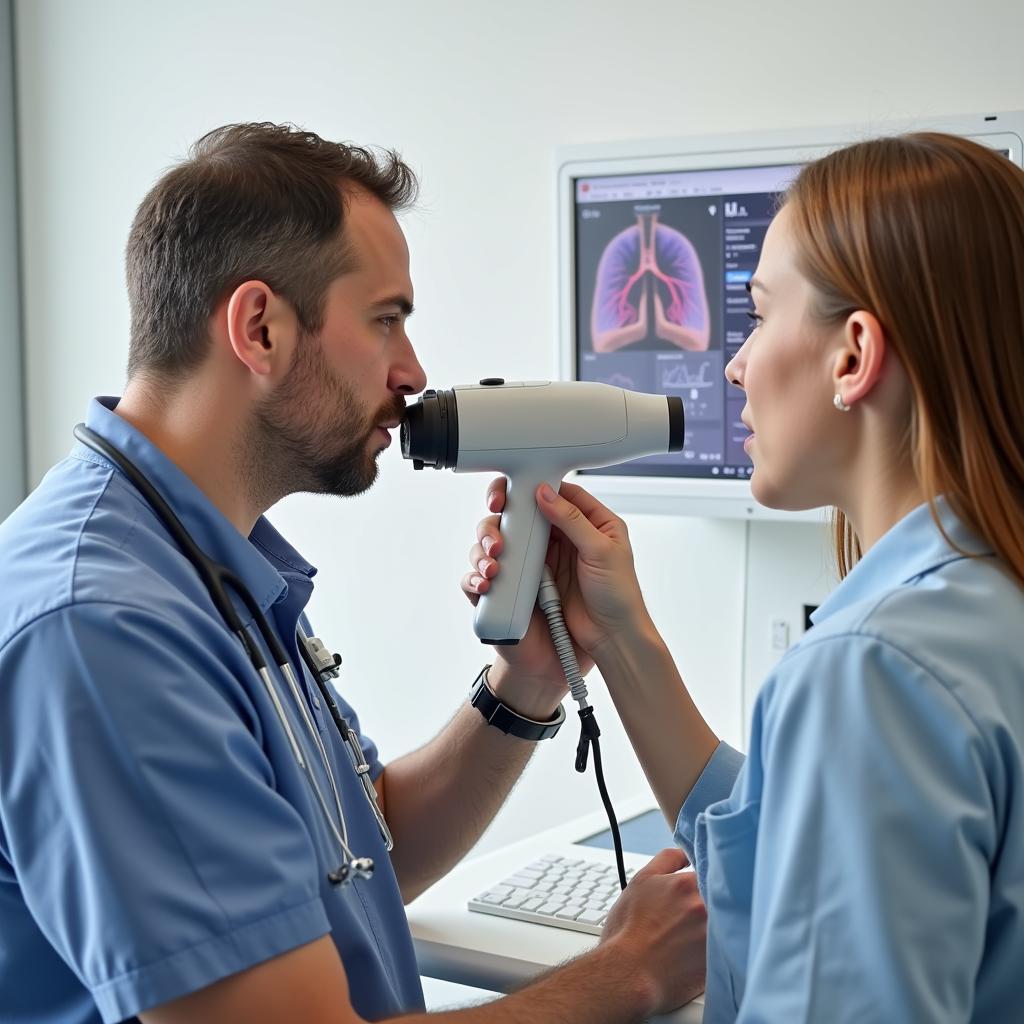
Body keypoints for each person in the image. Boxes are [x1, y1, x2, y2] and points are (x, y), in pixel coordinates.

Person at [0, 123, 708, 1023]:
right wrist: (628, 975)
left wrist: (524, 683)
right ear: (260, 328)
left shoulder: (213, 563)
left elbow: (361, 851)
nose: (412, 373)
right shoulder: (105, 628)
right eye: (386, 320)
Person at [466, 132, 1024, 1021]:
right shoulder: (986, 604)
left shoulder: (870, 671)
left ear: (852, 356)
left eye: (761, 316)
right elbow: (797, 837)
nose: (735, 364)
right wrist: (617, 634)